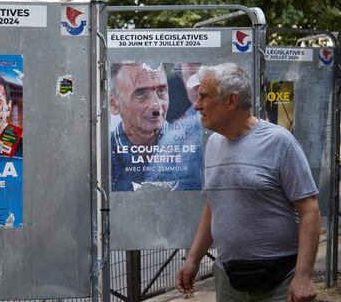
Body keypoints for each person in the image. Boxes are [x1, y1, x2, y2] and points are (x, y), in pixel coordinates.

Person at [176, 63, 320, 302]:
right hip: (228, 280)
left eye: (204, 97)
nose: (196, 105)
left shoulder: (279, 142)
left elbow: (309, 210)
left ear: (231, 101)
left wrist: (303, 276)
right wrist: (193, 260)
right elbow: (214, 206)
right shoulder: (213, 144)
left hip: (281, 281)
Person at [110, 62, 170, 191]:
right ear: (114, 104)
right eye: (142, 95)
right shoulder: (102, 153)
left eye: (161, 91)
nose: (157, 105)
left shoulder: (190, 146)